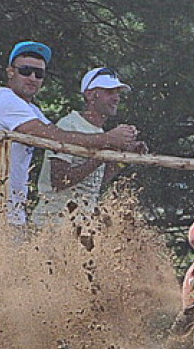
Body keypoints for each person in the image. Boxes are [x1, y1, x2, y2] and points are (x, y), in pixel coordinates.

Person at [0, 42, 139, 225]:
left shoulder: (30, 109)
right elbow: (53, 138)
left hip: (10, 215)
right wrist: (108, 141)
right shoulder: (7, 101)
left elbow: (59, 136)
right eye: (26, 71)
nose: (33, 77)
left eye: (39, 73)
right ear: (10, 72)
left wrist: (118, 155)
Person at [32, 66, 146, 235]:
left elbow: (96, 182)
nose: (116, 98)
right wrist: (102, 153)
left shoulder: (101, 134)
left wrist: (122, 158)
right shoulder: (69, 125)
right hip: (51, 227)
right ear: (91, 95)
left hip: (80, 229)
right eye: (109, 92)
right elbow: (59, 181)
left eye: (117, 93)